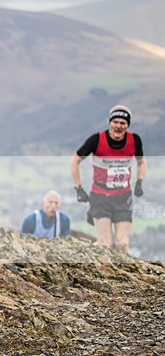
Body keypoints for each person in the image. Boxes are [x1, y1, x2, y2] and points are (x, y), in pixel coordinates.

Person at [69, 105, 146, 253]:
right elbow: (74, 161)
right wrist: (78, 188)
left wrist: (139, 181)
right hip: (100, 196)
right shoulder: (96, 140)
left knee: (122, 244)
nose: (118, 126)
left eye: (123, 123)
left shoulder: (134, 140)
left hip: (123, 196)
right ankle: (86, 255)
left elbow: (141, 162)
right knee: (105, 244)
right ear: (110, 123)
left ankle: (120, 269)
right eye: (115, 122)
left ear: (127, 125)